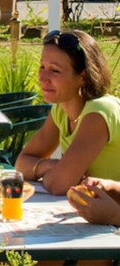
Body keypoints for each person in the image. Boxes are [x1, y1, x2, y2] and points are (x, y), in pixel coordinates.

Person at [15, 30, 120, 195]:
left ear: (84, 77)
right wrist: (50, 166)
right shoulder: (61, 111)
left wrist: (49, 172)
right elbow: (21, 164)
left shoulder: (100, 112)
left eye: (55, 71)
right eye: (42, 67)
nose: (43, 77)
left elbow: (58, 184)